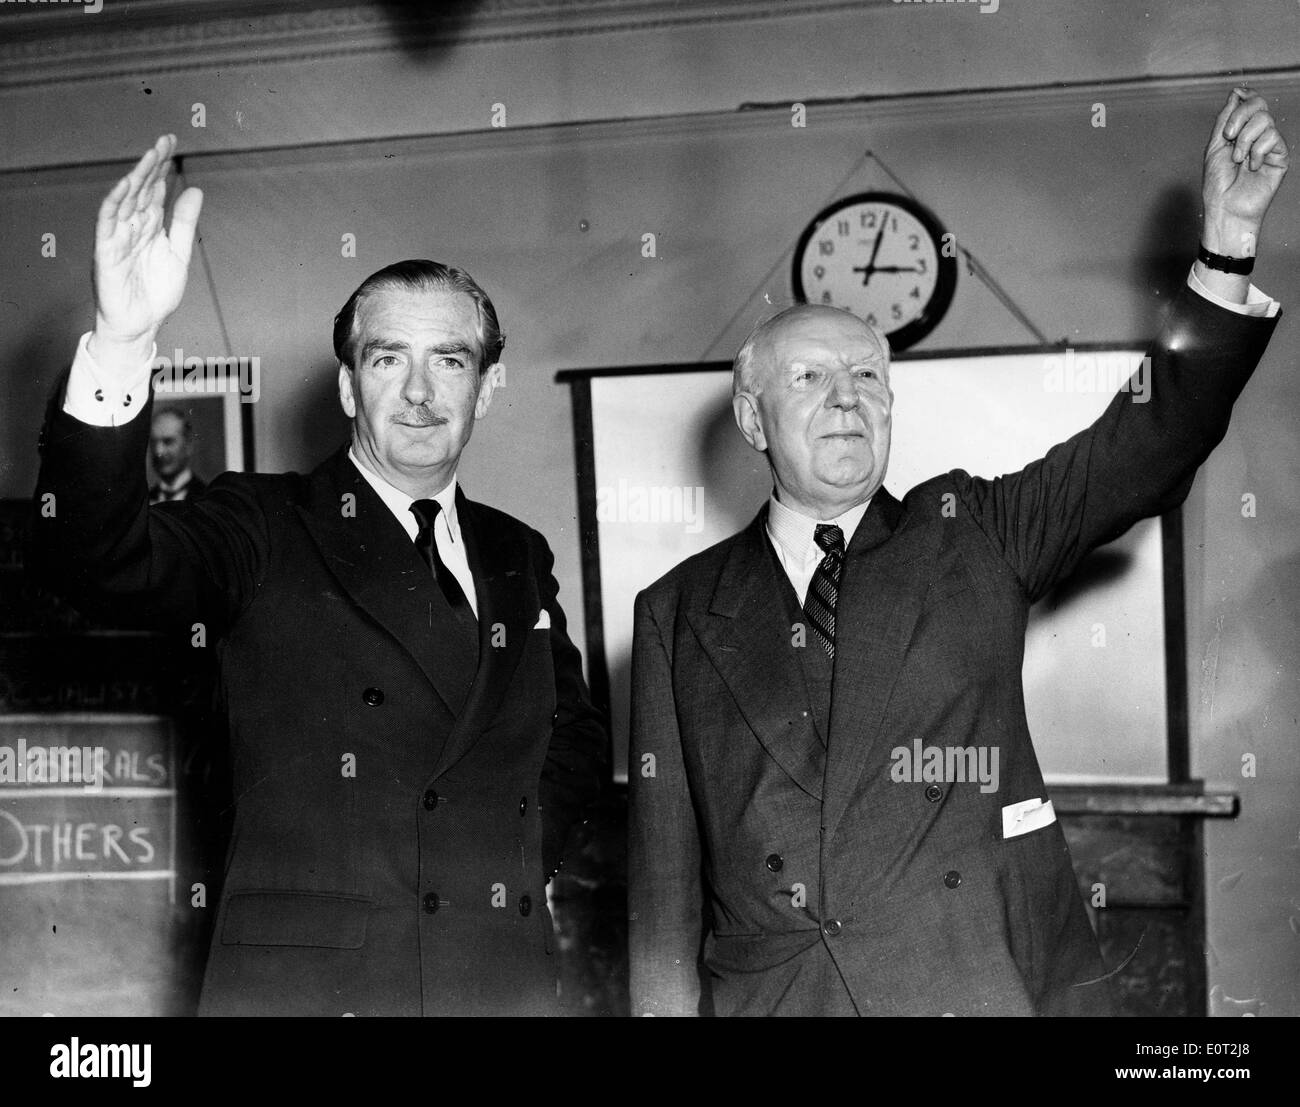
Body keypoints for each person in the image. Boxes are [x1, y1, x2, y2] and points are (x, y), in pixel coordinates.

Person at [627, 89, 1287, 1016]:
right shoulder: (676, 609)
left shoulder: (971, 533)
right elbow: (663, 891)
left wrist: (1224, 244)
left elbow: (1148, 444)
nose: (848, 399)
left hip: (965, 986)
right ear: (752, 418)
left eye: (868, 376)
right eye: (811, 378)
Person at [32, 134, 607, 1016]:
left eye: (449, 361)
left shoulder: (516, 549)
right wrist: (125, 338)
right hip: (315, 990)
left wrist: (505, 868)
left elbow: (571, 738)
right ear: (347, 387)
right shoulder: (264, 522)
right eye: (387, 360)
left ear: (487, 388)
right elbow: (98, 558)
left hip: (499, 978)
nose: (418, 393)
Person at [148, 406, 206, 504]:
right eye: (153, 443)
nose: (158, 451)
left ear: (188, 445)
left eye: (168, 442)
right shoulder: (143, 502)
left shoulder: (207, 498)